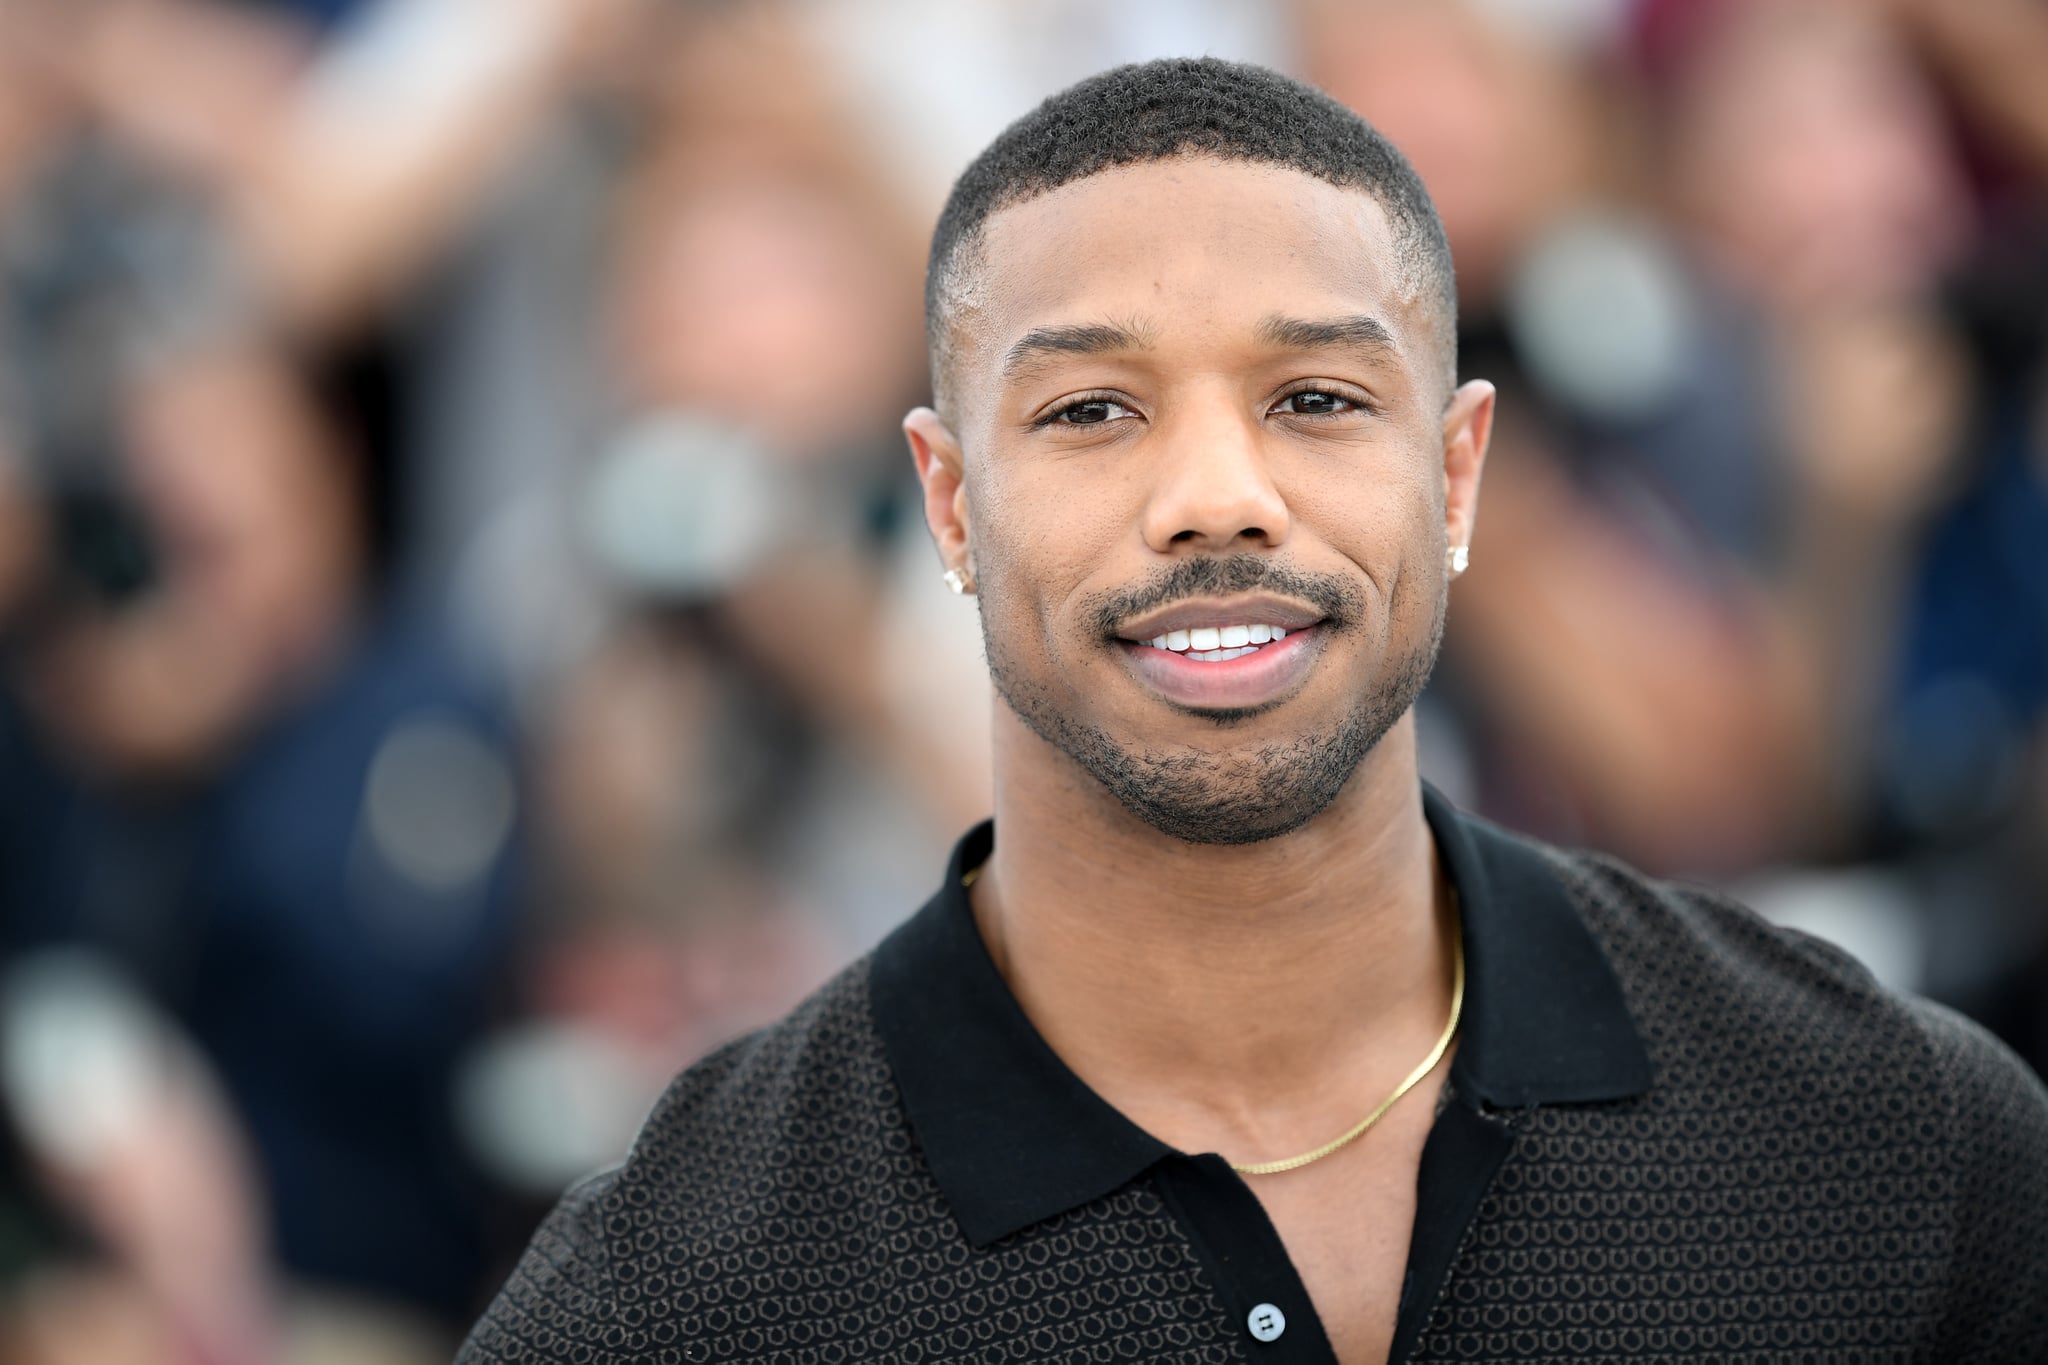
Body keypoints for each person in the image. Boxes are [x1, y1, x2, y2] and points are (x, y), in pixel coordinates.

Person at [460, 58, 2048, 1363]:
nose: (1218, 498)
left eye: (1316, 400)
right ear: (950, 501)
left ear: (1454, 473)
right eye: (1093, 409)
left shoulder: (1898, 1141)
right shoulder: (671, 1297)